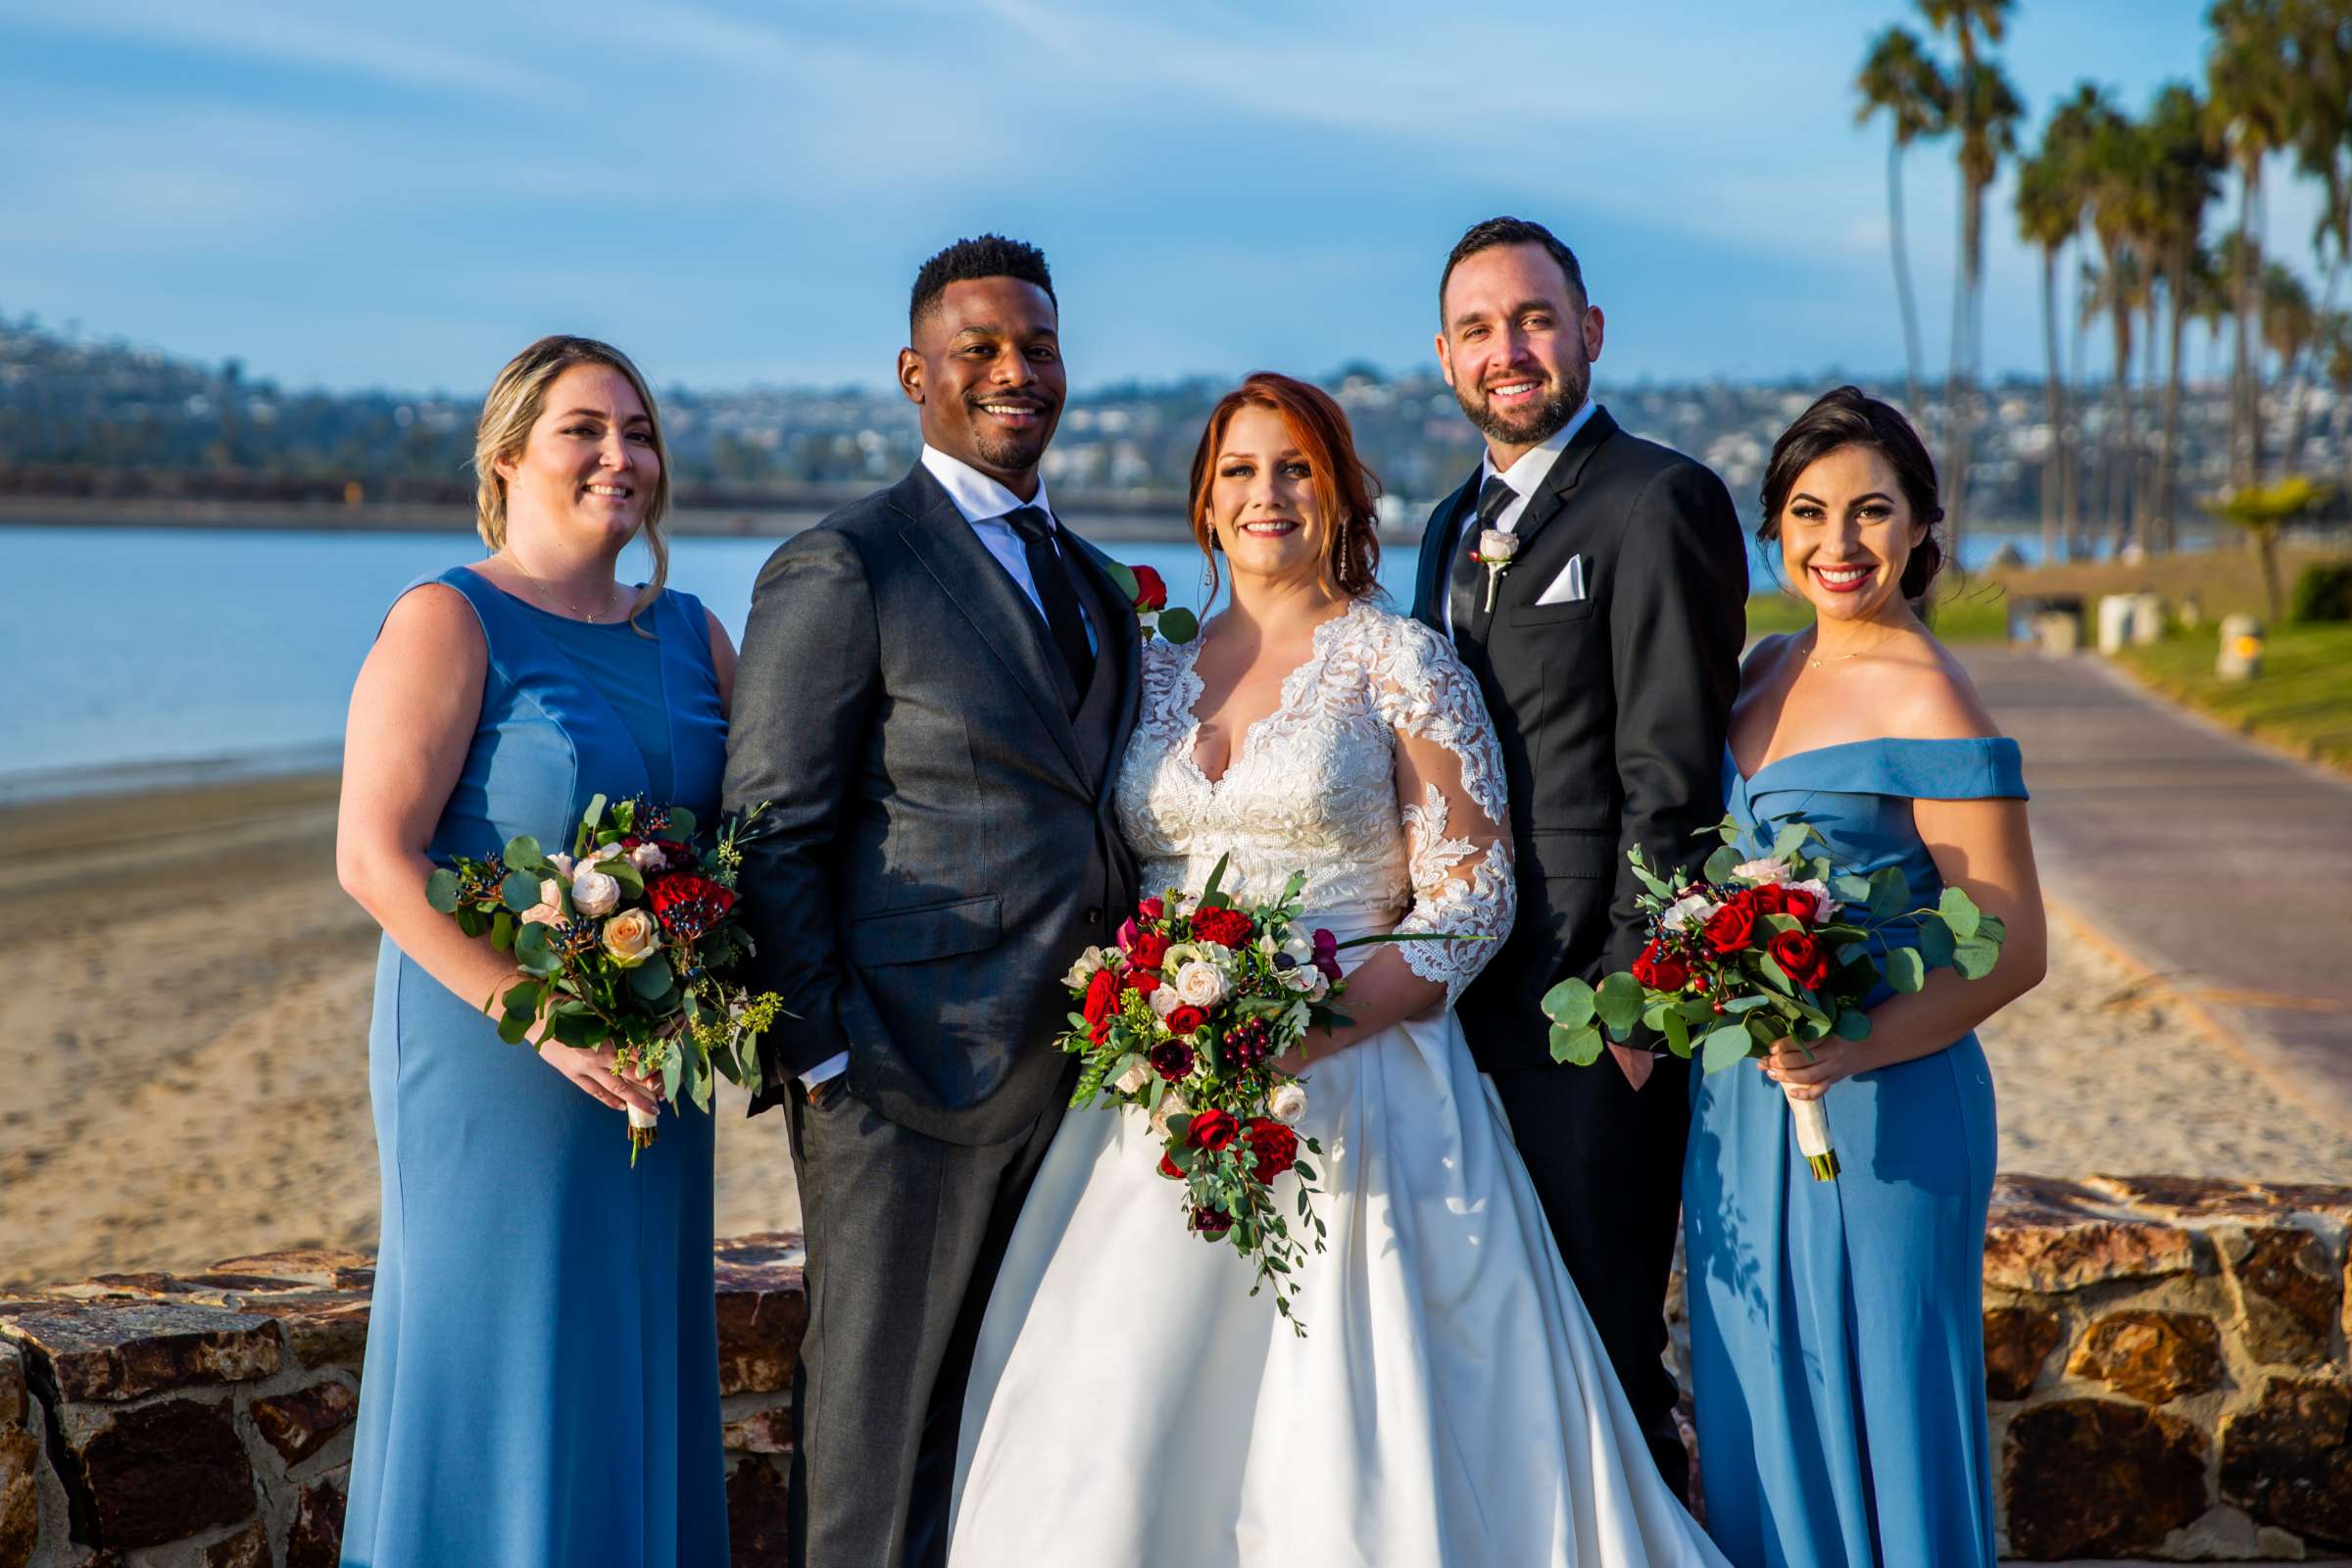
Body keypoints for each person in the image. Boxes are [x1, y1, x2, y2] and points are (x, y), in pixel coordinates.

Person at [948, 372, 1729, 1566]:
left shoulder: (1399, 660)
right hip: (1156, 1092)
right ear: (1205, 503)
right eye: (1242, 471)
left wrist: (1297, 1027)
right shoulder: (1148, 669)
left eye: (1298, 467)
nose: (1270, 494)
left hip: (1364, 1085)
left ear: (1343, 490)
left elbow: (1469, 905)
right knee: (1120, 1403)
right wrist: (1165, 1019)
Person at [721, 234, 1142, 1568]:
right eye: (982, 351)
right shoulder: (845, 565)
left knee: (1025, 1442)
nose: (1019, 372)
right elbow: (770, 831)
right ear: (917, 375)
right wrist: (832, 1058)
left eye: (1040, 347)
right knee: (873, 1454)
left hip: (1082, 1085)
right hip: (902, 1083)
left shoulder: (1091, 581)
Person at [335, 336, 735, 1566]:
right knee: (493, 1362)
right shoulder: (450, 619)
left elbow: (762, 844)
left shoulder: (696, 631)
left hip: (653, 1073)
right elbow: (373, 857)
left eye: (640, 432)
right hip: (492, 1061)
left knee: (632, 1358)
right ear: (507, 457)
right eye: (585, 429)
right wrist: (543, 1015)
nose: (621, 456)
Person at [1409, 215, 1749, 1494]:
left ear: (1590, 333)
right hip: (1459, 1005)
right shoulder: (1447, 526)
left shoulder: (1660, 499)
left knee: (1608, 1347)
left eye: (1537, 319)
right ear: (1446, 356)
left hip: (1589, 1011)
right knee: (1494, 1339)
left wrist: (1634, 1008)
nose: (1513, 349)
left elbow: (1674, 780)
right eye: (1483, 328)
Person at [1684, 386, 2046, 1566]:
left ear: (1922, 529)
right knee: (1759, 1407)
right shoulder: (1760, 664)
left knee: (1888, 1404)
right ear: (1774, 530)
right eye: (1809, 512)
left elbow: (2014, 939)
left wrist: (1854, 1048)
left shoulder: (1929, 692)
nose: (1839, 545)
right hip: (1745, 1100)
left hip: (1885, 1103)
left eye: (1872, 512)